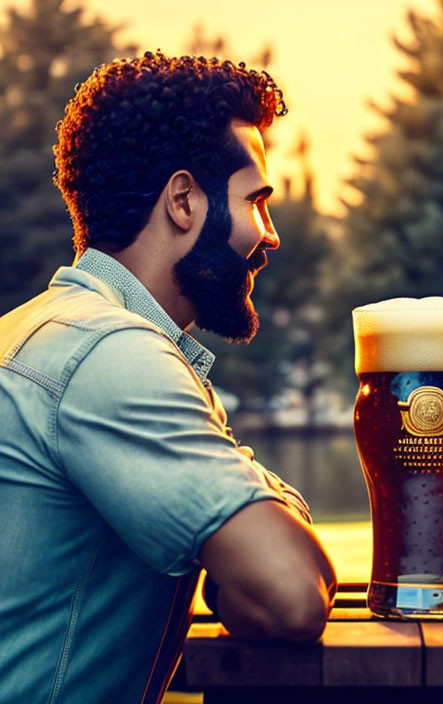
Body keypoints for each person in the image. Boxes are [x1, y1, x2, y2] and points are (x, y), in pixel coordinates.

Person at [0, 52, 336, 703]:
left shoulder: (40, 331)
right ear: (184, 201)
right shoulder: (108, 353)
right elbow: (288, 591)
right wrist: (271, 513)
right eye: (255, 202)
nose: (268, 235)